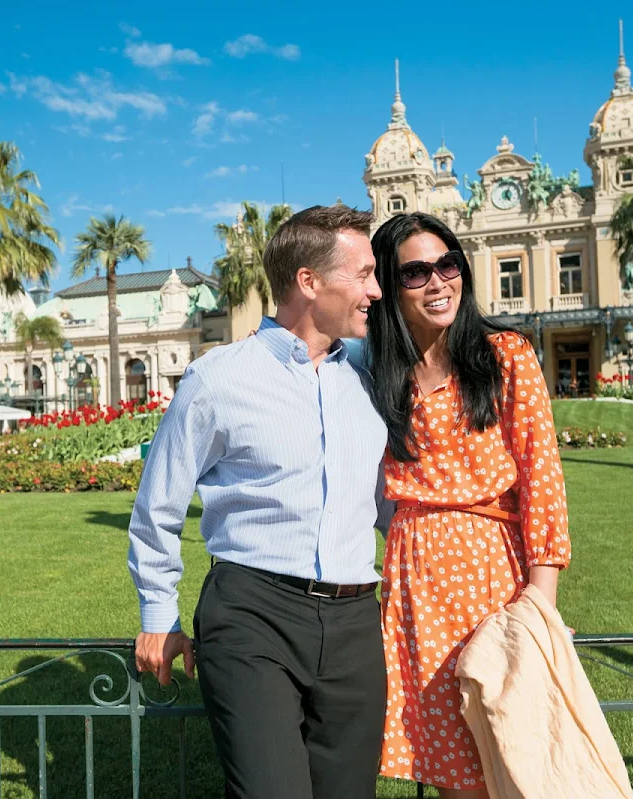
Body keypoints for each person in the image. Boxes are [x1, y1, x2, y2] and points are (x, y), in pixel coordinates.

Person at [128, 205, 390, 798]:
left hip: (354, 622)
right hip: (253, 615)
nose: (376, 290)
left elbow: (385, 503)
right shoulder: (217, 379)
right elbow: (158, 509)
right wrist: (157, 615)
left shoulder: (369, 379)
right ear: (309, 281)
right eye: (364, 274)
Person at [366, 213, 570, 797]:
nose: (438, 282)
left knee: (513, 750)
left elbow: (542, 476)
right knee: (454, 767)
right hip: (414, 582)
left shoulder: (504, 356)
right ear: (388, 285)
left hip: (492, 576)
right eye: (416, 272)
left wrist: (541, 605)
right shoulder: (381, 373)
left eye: (447, 264)